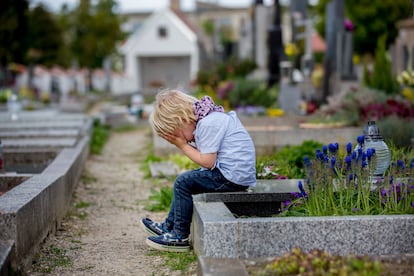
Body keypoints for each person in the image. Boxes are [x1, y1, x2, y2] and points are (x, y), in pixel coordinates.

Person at [141, 89, 256, 252]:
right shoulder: (209, 119)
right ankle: (168, 227)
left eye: (179, 134)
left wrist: (182, 146)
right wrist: (185, 143)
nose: (185, 139)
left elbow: (208, 162)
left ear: (182, 118)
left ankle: (179, 236)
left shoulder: (207, 124)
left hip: (231, 177)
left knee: (183, 182)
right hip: (234, 174)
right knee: (187, 180)